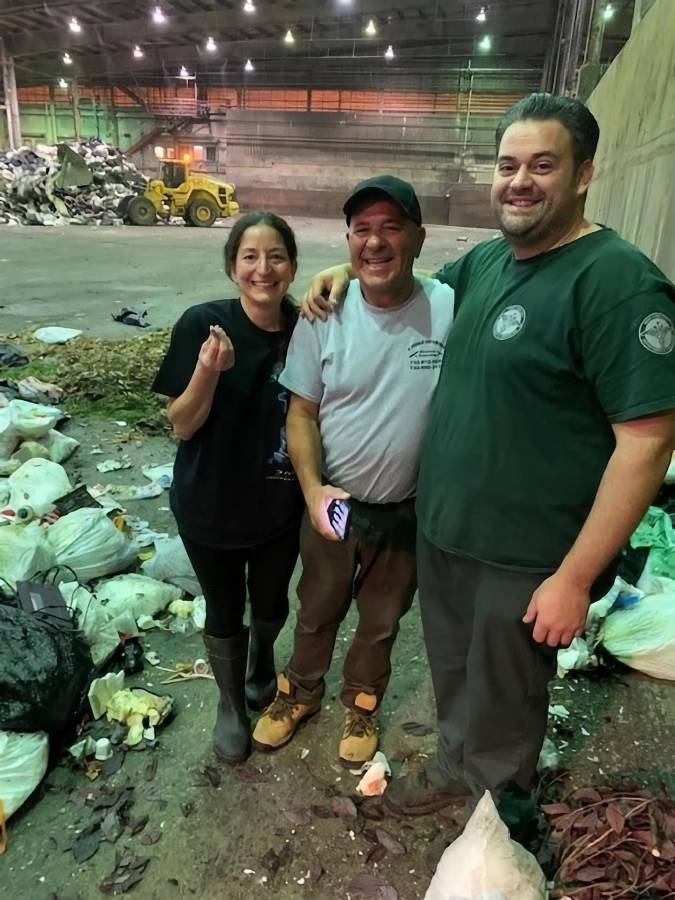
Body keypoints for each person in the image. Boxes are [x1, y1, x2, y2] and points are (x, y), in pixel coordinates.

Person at [300, 94, 675, 836]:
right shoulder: (485, 262)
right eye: (508, 166)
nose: (519, 182)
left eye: (542, 165)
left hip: (527, 554)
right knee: (455, 675)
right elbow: (404, 281)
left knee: (507, 696)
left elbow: (646, 442)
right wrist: (336, 274)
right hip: (446, 533)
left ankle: (499, 822)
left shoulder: (615, 283)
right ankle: (453, 769)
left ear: (583, 174)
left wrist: (572, 578)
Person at [252, 176, 455, 768]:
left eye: (391, 227)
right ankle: (299, 695)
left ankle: (362, 702)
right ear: (347, 241)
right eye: (362, 230)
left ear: (418, 237)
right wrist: (313, 491)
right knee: (316, 608)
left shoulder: (448, 304)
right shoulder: (325, 312)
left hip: (407, 507)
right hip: (334, 503)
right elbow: (302, 413)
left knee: (382, 621)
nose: (375, 242)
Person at [152, 211, 304, 764]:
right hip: (209, 502)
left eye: (276, 256)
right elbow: (183, 424)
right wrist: (208, 371)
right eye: (250, 257)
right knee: (223, 606)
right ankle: (230, 704)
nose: (263, 268)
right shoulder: (203, 325)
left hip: (278, 504)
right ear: (232, 266)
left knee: (270, 602)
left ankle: (263, 659)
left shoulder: (306, 328)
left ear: (291, 266)